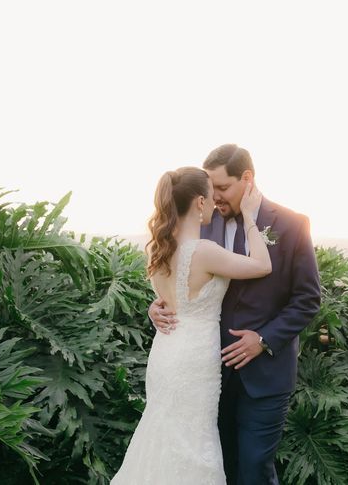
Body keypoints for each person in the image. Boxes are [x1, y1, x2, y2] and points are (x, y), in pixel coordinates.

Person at [149, 144, 322, 485]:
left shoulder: (292, 224)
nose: (214, 197)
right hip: (207, 375)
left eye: (223, 187)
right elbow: (182, 277)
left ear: (247, 179)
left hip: (265, 376)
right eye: (210, 189)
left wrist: (263, 339)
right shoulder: (203, 223)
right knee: (215, 466)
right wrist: (157, 306)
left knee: (254, 469)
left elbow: (307, 298)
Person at [111, 166, 272, 485]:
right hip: (194, 362)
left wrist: (152, 309)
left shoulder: (160, 250)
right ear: (200, 202)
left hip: (166, 353)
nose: (215, 204)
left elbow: (168, 301)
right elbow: (263, 265)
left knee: (165, 435)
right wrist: (251, 218)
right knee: (192, 443)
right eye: (211, 198)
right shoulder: (204, 251)